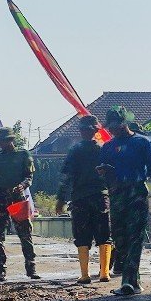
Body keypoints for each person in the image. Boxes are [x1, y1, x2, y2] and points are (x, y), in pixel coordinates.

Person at [98, 106, 151, 296]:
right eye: (110, 127)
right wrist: (104, 174)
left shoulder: (142, 143)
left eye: (117, 125)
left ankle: (127, 281)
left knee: (135, 236)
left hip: (137, 193)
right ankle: (134, 281)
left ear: (124, 122)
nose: (114, 129)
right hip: (117, 194)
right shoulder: (108, 147)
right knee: (120, 238)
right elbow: (102, 174)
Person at [56, 115, 112, 284]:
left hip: (80, 198)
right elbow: (111, 173)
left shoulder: (75, 150)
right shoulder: (104, 149)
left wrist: (61, 198)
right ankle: (104, 273)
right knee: (104, 234)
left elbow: (67, 177)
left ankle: (85, 274)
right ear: (96, 130)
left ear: (81, 131)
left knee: (82, 235)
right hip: (101, 197)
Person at [0, 127, 40, 281]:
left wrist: (23, 185)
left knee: (25, 233)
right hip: (0, 197)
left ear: (12, 140)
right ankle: (0, 270)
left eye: (6, 140)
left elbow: (29, 176)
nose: (3, 144)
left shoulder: (23, 155)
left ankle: (31, 268)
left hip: (18, 197)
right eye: (1, 141)